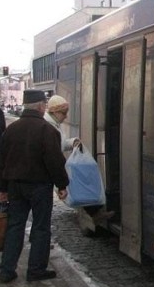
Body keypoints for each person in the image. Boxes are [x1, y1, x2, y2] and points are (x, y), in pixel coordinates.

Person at [0, 89, 69, 283]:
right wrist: (62, 185)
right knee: (41, 228)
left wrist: (2, 188)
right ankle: (36, 270)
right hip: (39, 186)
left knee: (14, 226)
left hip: (15, 186)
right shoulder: (47, 130)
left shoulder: (11, 129)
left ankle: (7, 270)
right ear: (40, 107)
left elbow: (1, 162)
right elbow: (55, 161)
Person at [44, 95, 112, 225]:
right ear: (55, 112)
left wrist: (73, 141)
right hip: (50, 168)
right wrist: (61, 185)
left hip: (53, 166)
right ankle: (95, 212)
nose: (66, 116)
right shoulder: (49, 126)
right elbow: (57, 147)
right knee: (78, 181)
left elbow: (62, 144)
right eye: (64, 113)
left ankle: (95, 212)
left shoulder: (55, 124)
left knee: (79, 182)